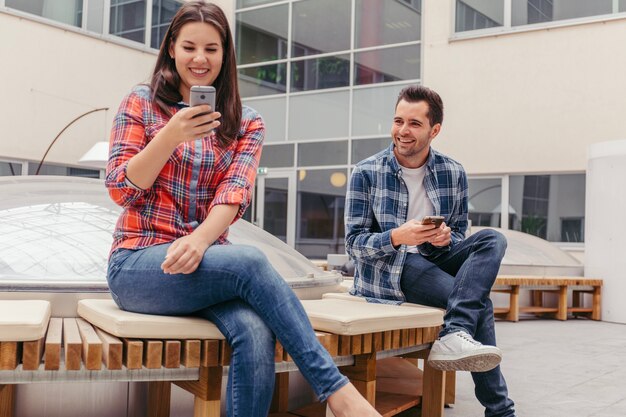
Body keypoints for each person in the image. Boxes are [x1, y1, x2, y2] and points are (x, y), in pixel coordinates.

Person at [105, 2, 381, 417]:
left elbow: (231, 198)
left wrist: (198, 243)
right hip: (140, 265)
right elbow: (120, 188)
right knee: (250, 260)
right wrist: (169, 136)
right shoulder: (141, 103)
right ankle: (337, 393)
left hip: (204, 266)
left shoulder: (246, 122)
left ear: (225, 54)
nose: (200, 59)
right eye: (189, 47)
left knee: (254, 331)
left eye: (211, 49)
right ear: (171, 50)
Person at [345, 84, 516, 417]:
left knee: (493, 239)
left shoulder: (453, 172)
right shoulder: (366, 172)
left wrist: (444, 239)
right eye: (398, 121)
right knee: (479, 305)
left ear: (434, 130)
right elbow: (354, 246)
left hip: (434, 258)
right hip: (391, 269)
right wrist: (397, 236)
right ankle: (500, 410)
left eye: (414, 124)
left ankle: (455, 331)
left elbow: (461, 234)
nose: (402, 131)